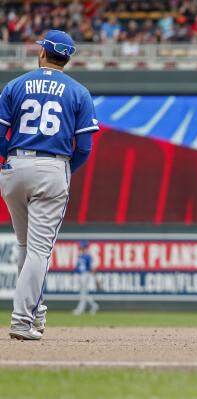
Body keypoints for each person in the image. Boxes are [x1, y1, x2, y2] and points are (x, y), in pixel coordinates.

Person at [0, 30, 99, 340]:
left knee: (25, 245)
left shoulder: (15, 85)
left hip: (15, 166)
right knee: (40, 250)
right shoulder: (79, 92)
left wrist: (5, 163)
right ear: (67, 59)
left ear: (42, 52)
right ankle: (21, 320)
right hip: (52, 166)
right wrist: (66, 169)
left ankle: (36, 311)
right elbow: (83, 146)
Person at [73, 240, 99, 316]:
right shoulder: (80, 256)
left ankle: (80, 310)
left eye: (82, 246)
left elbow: (91, 268)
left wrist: (95, 278)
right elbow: (77, 268)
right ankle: (94, 306)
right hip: (80, 275)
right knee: (84, 293)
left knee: (83, 294)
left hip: (86, 274)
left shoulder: (88, 256)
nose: (80, 248)